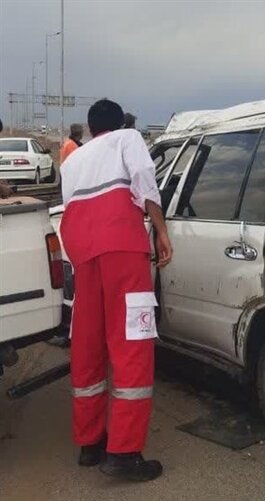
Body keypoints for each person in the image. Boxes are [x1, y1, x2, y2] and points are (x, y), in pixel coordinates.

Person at [59, 99, 172, 482]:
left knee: (88, 346)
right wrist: (161, 230)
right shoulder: (129, 138)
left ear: (90, 129)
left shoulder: (73, 159)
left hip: (83, 254)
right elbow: (144, 182)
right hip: (122, 249)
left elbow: (68, 206)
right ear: (120, 122)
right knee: (131, 346)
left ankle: (90, 444)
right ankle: (124, 453)